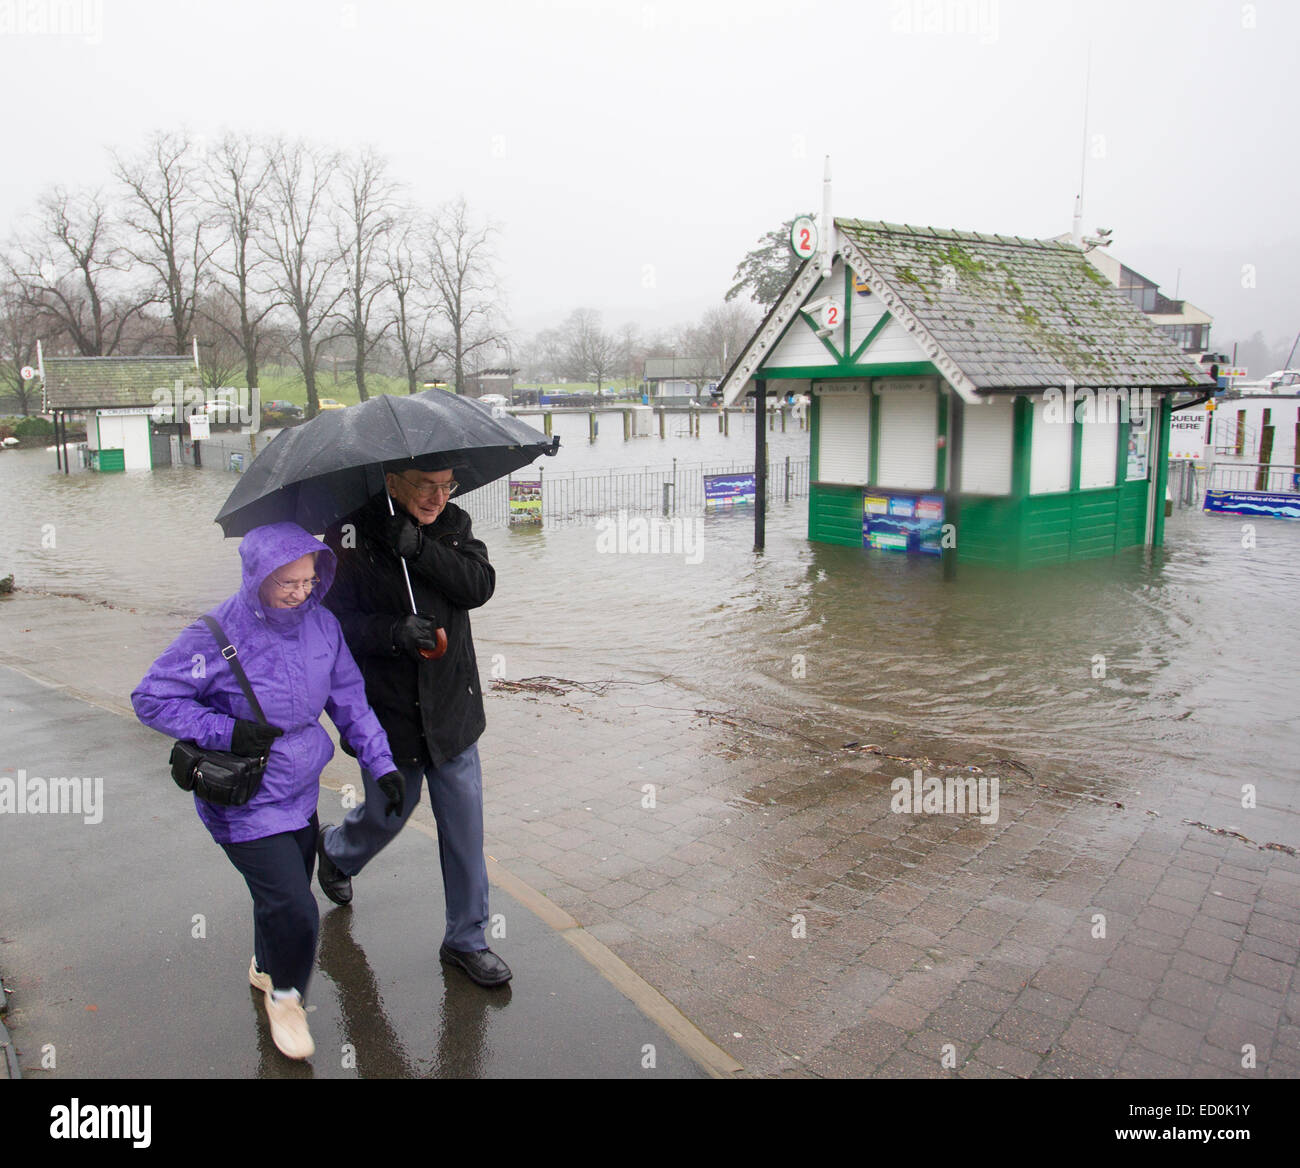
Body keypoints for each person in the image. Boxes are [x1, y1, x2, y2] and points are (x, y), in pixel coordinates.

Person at [131, 522, 401, 1060]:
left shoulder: (323, 626)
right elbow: (151, 698)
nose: (300, 591)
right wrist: (226, 730)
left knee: (279, 897)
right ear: (257, 577)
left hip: (300, 791)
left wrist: (382, 764)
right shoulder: (214, 634)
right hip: (244, 802)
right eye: (287, 582)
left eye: (309, 579)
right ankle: (286, 997)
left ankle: (263, 964)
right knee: (296, 908)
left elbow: (350, 701)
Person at [317, 460, 511, 988]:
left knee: (465, 830)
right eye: (425, 486)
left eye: (445, 486)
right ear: (392, 482)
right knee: (389, 813)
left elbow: (478, 585)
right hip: (390, 712)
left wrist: (422, 549)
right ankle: (336, 852)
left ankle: (466, 939)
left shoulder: (455, 526)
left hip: (452, 707)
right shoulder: (348, 535)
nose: (436, 497)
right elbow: (333, 622)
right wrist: (393, 631)